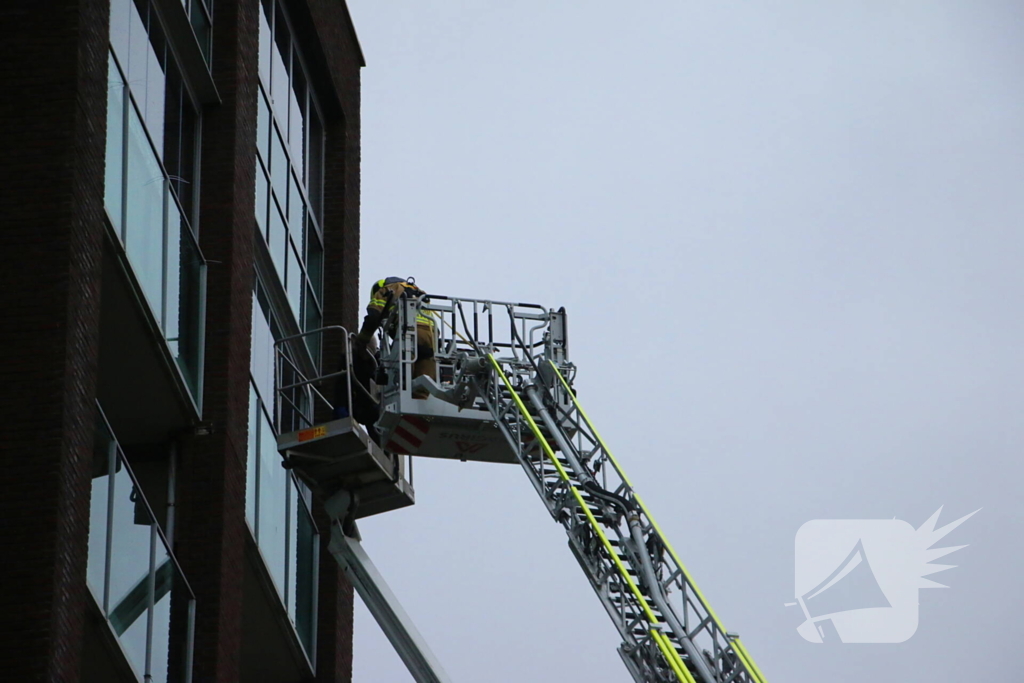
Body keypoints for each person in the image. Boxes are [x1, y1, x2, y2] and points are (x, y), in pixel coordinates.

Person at [353, 277, 436, 398]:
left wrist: (361, 341)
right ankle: (419, 405)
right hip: (430, 336)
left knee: (402, 379)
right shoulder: (419, 293)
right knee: (422, 386)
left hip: (408, 333)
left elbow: (373, 317)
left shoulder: (387, 290)